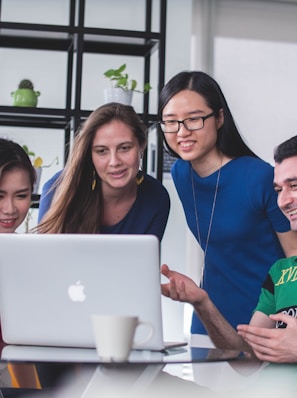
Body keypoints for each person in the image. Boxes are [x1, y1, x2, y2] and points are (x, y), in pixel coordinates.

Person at [158, 70, 297, 346]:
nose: (182, 132)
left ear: (219, 118)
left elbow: (294, 253)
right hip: (208, 322)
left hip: (268, 323)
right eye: (171, 122)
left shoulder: (259, 177)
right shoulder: (181, 174)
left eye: (194, 119)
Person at [37, 102, 170, 240]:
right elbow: (44, 257)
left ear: (141, 146)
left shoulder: (156, 198)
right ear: (90, 155)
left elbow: (145, 259)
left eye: (124, 148)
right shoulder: (57, 189)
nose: (114, 162)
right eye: (102, 151)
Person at [0, 138, 41, 391]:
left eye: (21, 196)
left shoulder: (28, 256)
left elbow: (19, 345)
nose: (9, 209)